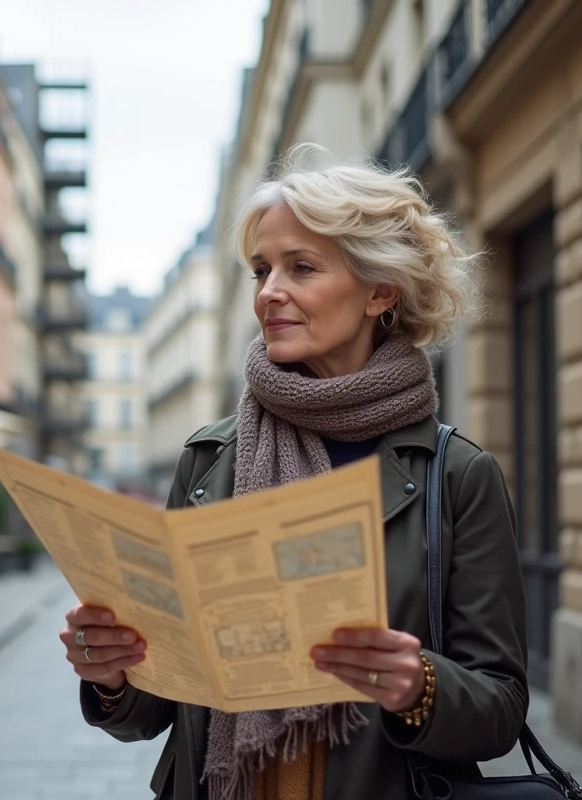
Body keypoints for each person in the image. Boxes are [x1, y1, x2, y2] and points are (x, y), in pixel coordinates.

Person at [61, 146, 528, 800]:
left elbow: (501, 707)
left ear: (380, 291)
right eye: (261, 270)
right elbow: (157, 710)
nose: (269, 292)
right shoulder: (208, 461)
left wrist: (418, 684)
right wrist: (113, 675)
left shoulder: (457, 474)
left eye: (301, 267)